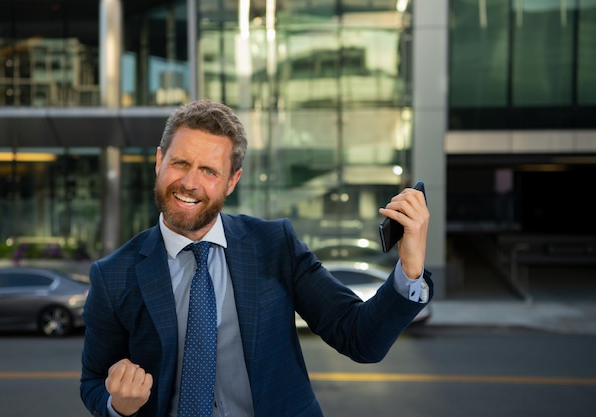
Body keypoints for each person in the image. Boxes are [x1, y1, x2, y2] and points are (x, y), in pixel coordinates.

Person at [80, 99, 433, 417]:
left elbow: (361, 338)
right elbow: (94, 382)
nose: (189, 182)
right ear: (159, 161)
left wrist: (410, 268)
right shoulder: (113, 276)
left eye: (209, 171)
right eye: (180, 163)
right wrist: (118, 405)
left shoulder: (274, 245)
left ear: (232, 181)